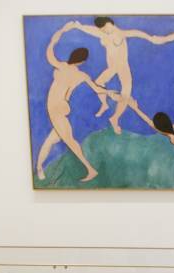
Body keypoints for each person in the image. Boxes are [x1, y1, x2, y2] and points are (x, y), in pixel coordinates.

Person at [36, 24, 119, 182]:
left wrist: (60, 32)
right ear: (82, 61)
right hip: (59, 107)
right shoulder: (80, 75)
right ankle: (42, 167)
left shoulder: (60, 66)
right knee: (56, 139)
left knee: (66, 140)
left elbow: (49, 51)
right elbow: (97, 89)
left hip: (56, 108)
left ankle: (89, 169)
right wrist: (109, 93)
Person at [67, 16, 162, 134]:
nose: (105, 31)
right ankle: (104, 104)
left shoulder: (122, 34)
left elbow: (137, 33)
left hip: (122, 67)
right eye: (102, 30)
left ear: (110, 23)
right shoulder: (103, 34)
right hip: (112, 68)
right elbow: (91, 30)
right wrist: (78, 26)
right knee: (97, 84)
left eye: (105, 28)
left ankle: (115, 118)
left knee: (126, 94)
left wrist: (151, 38)